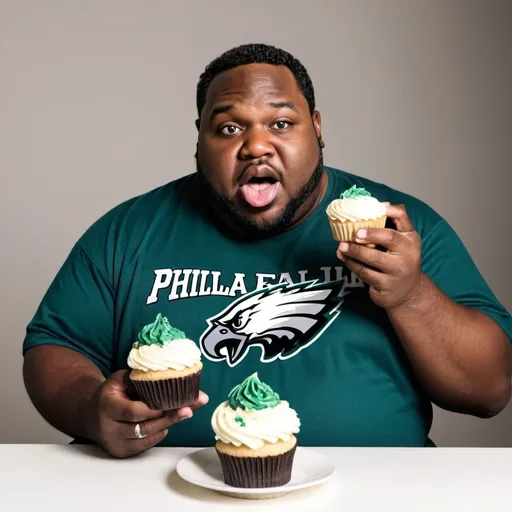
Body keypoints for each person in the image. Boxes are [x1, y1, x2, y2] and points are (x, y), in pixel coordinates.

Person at [23, 43, 512, 458]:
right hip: (165, 492)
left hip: (379, 495)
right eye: (230, 128)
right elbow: (54, 348)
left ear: (316, 128)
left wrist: (410, 295)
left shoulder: (399, 228)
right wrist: (92, 410)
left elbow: (490, 389)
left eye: (281, 123)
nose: (257, 145)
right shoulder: (128, 232)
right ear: (199, 140)